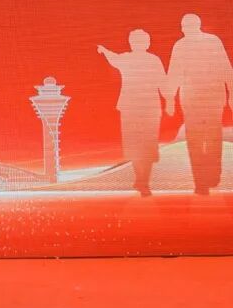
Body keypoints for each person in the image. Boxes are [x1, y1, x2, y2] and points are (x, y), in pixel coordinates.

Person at [165, 14, 233, 195]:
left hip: (194, 98)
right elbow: (226, 68)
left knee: (196, 140)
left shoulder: (181, 45)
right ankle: (211, 176)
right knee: (212, 137)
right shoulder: (212, 41)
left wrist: (170, 98)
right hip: (210, 97)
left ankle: (201, 182)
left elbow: (174, 74)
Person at [97, 31, 167, 196]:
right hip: (149, 107)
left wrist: (104, 51)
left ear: (131, 43)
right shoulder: (153, 60)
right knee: (147, 144)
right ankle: (143, 181)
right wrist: (169, 99)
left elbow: (114, 59)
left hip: (131, 107)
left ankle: (141, 179)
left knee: (135, 143)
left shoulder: (127, 59)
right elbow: (163, 83)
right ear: (147, 43)